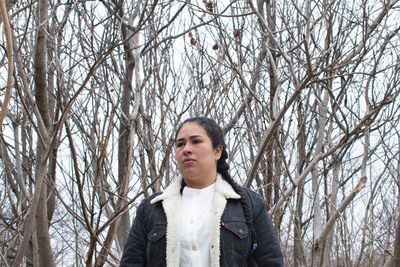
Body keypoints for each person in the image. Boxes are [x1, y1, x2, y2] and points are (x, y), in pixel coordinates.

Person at [120, 117, 284, 267]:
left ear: (217, 151)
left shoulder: (248, 204)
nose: (186, 149)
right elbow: (131, 263)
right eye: (180, 144)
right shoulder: (151, 209)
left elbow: (271, 261)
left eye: (196, 141)